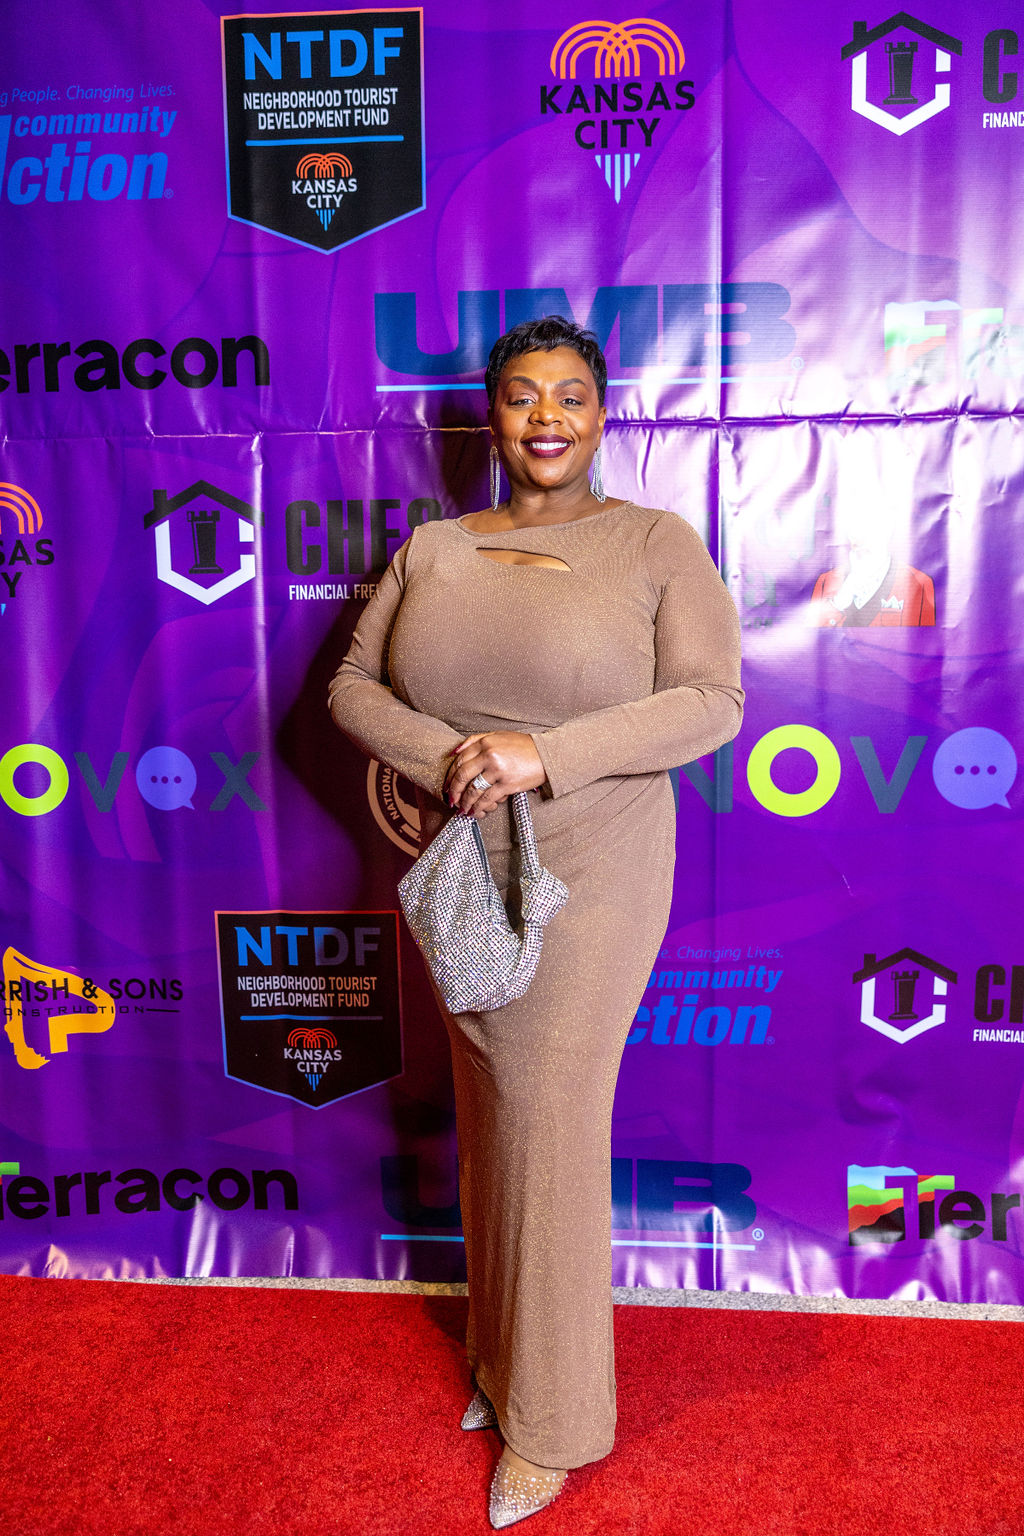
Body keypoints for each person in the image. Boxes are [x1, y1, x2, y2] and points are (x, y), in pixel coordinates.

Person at [328, 316, 743, 1528]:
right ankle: (503, 1360)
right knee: (492, 1112)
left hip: (595, 862)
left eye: (569, 395)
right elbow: (350, 686)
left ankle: (553, 1425)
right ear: (493, 417)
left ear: (602, 415)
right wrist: (453, 755)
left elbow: (711, 700)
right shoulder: (434, 547)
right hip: (460, 861)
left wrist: (541, 754)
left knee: (549, 1121)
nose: (546, 416)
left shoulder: (654, 541)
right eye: (522, 395)